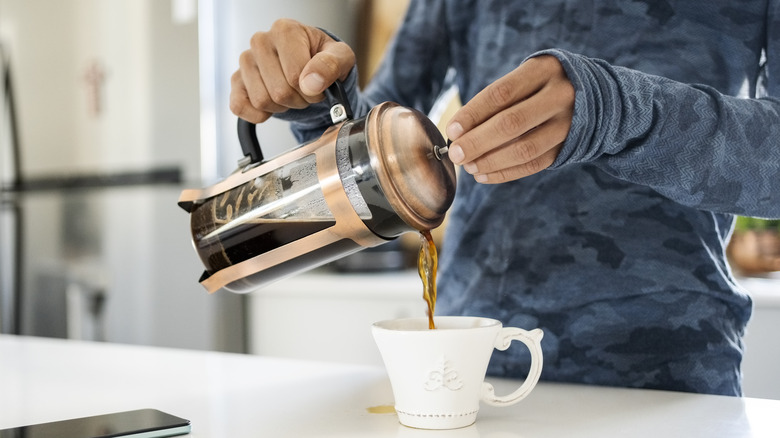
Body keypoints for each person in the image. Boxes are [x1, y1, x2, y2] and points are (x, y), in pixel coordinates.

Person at [229, 1, 780, 396]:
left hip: (666, 373)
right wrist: (317, 98)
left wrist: (620, 110)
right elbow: (371, 154)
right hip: (469, 367)